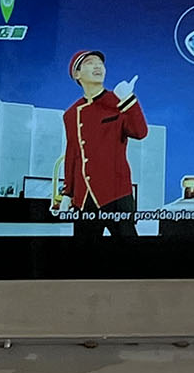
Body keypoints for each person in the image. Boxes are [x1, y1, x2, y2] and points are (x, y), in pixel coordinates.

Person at [52, 50, 147, 238]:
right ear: (76, 74)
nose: (97, 66)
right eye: (89, 63)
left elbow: (140, 132)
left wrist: (129, 100)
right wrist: (68, 193)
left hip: (117, 192)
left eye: (100, 63)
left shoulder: (119, 101)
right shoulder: (71, 114)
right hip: (83, 198)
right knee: (84, 256)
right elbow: (72, 154)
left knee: (131, 254)